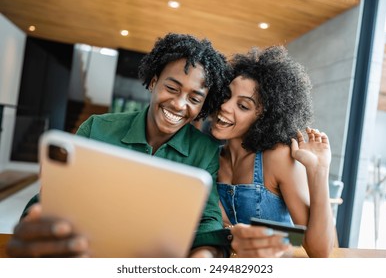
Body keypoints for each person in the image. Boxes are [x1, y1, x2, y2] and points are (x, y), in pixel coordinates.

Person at [6, 33, 234, 258]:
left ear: (203, 104)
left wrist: (203, 258)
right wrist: (35, 227)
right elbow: (51, 201)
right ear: (154, 82)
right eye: (172, 88)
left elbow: (208, 220)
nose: (178, 104)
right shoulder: (97, 129)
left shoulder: (204, 150)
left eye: (194, 99)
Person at [210, 46, 335, 258]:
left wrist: (318, 170)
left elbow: (318, 250)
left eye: (243, 106)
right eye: (226, 96)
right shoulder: (210, 157)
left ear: (263, 118)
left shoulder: (277, 157)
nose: (225, 106)